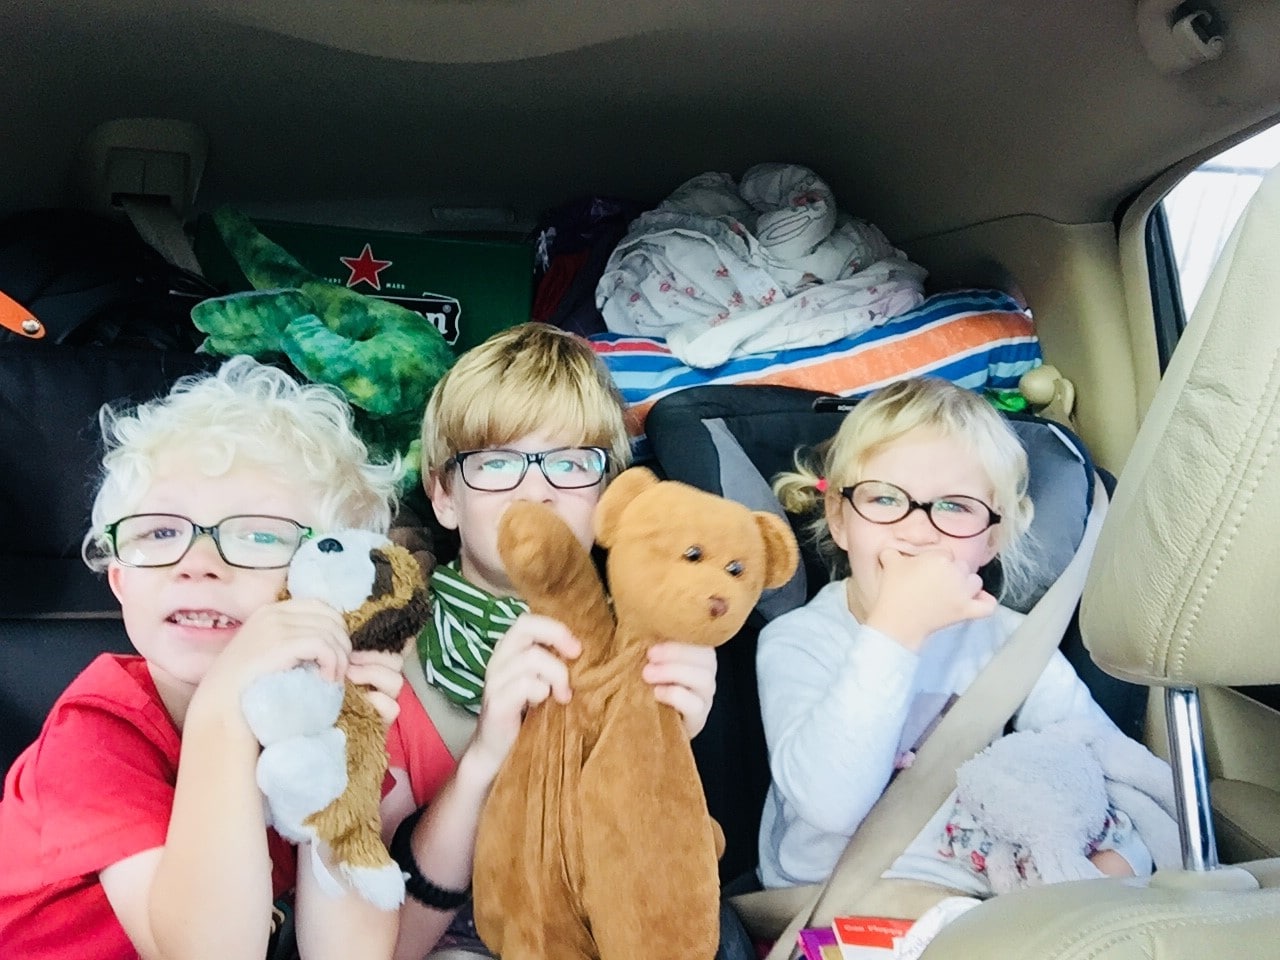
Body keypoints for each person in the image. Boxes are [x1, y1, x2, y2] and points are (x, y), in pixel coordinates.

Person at [0, 356, 430, 960]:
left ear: (331, 584)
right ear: (120, 579)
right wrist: (221, 712)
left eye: (258, 535)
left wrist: (343, 758)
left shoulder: (310, 723)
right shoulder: (95, 736)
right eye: (158, 533)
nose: (196, 562)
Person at [387, 322, 753, 960]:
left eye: (571, 463)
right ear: (445, 494)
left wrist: (662, 751)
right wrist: (484, 756)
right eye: (497, 462)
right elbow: (386, 944)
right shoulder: (386, 657)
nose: (538, 491)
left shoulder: (658, 644)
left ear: (610, 495)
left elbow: (671, 903)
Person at [755, 376, 1154, 896]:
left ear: (991, 539)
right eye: (884, 499)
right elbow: (830, 805)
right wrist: (897, 629)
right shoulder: (799, 640)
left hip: (983, 898)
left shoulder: (1012, 643)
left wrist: (1122, 860)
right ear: (839, 519)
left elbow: (1105, 764)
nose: (918, 532)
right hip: (835, 902)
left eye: (954, 506)